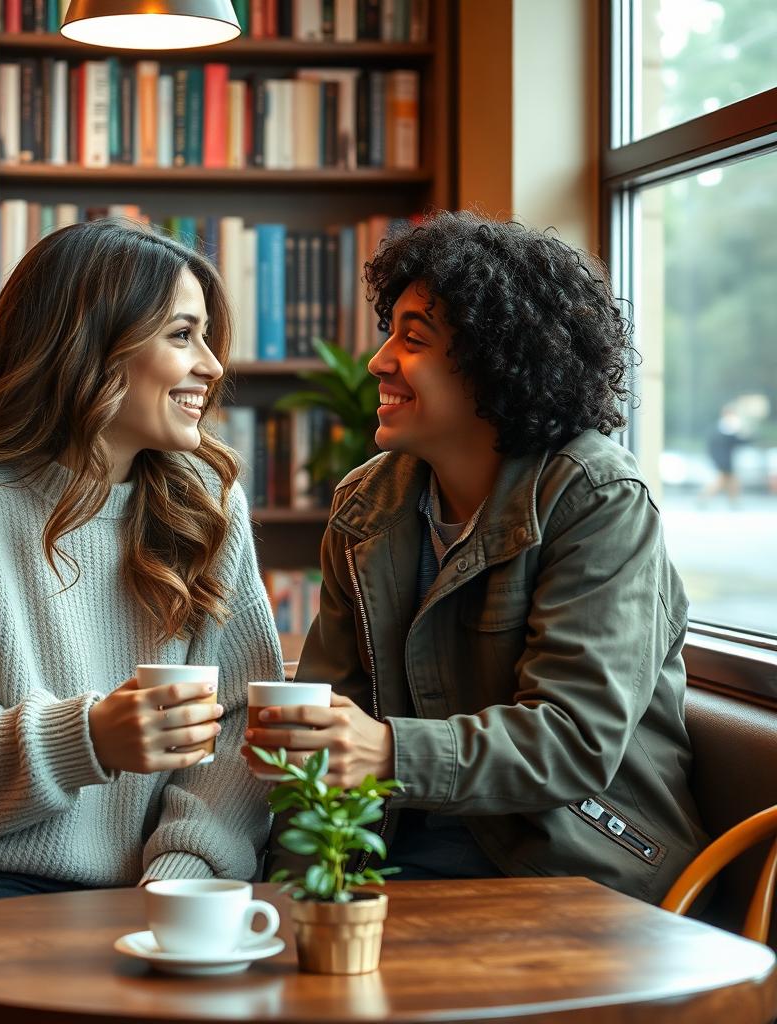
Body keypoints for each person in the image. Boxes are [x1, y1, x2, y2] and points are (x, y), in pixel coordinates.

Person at [246, 211, 708, 903]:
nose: (379, 361)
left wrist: (388, 753)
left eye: (413, 338)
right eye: (388, 332)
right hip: (395, 868)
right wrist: (293, 896)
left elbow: (576, 737)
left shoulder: (595, 498)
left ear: (496, 361)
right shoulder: (364, 507)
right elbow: (327, 724)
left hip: (574, 874)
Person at [0, 219, 282, 927]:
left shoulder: (210, 507)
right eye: (182, 335)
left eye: (207, 336)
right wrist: (88, 739)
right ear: (91, 347)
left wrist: (180, 877)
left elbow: (238, 731)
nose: (211, 364)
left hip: (154, 887)